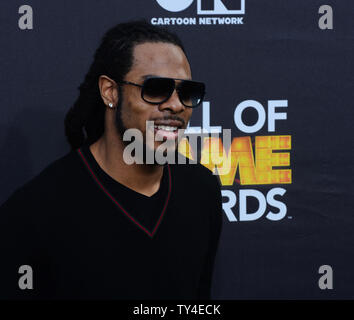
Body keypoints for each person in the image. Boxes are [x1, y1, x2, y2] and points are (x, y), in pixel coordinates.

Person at [0, 20, 223, 300]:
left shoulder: (202, 189)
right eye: (155, 88)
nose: (176, 105)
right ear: (110, 92)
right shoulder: (35, 210)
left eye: (187, 93)